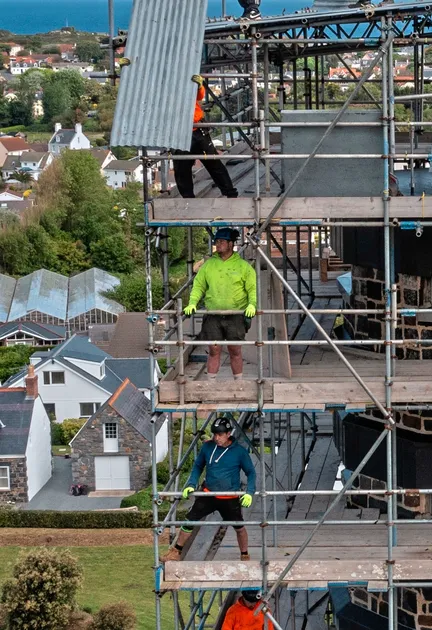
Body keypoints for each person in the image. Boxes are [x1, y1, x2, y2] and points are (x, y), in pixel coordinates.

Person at [161, 415, 257, 563]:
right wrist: (191, 484)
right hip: (208, 494)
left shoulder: (239, 452)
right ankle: (175, 552)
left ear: (228, 434)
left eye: (220, 435)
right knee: (189, 521)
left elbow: (251, 472)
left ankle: (244, 554)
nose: (216, 438)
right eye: (214, 434)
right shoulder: (207, 447)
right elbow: (198, 466)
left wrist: (249, 492)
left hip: (230, 497)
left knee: (239, 527)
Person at [185, 227, 257, 380]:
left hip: (235, 315)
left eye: (221, 241)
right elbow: (198, 286)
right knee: (214, 350)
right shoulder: (209, 265)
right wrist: (192, 303)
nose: (218, 244)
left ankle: (238, 384)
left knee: (235, 350)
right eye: (216, 241)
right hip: (213, 315)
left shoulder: (243, 266)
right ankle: (211, 385)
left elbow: (252, 289)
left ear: (231, 244)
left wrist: (252, 304)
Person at [172, 76, 239, 199]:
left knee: (213, 163)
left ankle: (230, 194)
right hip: (178, 132)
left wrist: (199, 87)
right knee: (182, 169)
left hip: (196, 130)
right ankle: (188, 200)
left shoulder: (183, 74)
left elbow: (198, 96)